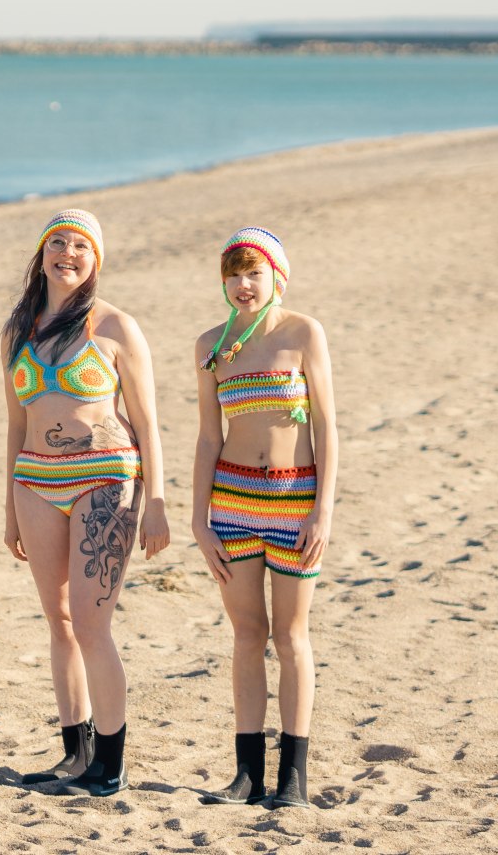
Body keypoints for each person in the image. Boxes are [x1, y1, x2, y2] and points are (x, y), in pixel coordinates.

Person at [0, 210, 169, 797]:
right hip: (35, 483)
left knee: (93, 625)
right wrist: (7, 506)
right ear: (42, 253)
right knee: (60, 621)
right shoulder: (18, 330)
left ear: (96, 260)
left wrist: (158, 501)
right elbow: (14, 426)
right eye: (58, 243)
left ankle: (112, 762)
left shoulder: (117, 326)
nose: (67, 253)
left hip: (106, 479)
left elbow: (148, 422)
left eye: (80, 246)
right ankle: (77, 752)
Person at [190, 227, 337, 809]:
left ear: (278, 276)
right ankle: (247, 775)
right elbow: (207, 438)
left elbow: (326, 426)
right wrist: (199, 520)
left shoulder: (303, 333)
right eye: (234, 274)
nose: (243, 285)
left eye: (254, 273)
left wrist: (323, 510)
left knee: (292, 635)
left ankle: (293, 778)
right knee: (248, 635)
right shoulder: (209, 345)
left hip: (295, 501)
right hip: (232, 505)